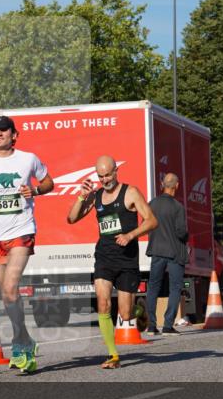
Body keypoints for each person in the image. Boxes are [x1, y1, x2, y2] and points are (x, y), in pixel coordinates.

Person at [0, 115, 54, 374]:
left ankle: (18, 344)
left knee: (11, 286)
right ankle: (25, 338)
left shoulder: (28, 159)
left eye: (4, 130)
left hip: (22, 230)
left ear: (14, 135)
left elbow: (48, 182)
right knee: (6, 293)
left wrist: (35, 191)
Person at [67, 155, 157, 369]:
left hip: (127, 259)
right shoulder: (96, 196)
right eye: (101, 176)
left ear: (116, 171)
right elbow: (71, 219)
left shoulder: (130, 192)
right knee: (103, 303)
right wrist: (81, 197)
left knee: (125, 315)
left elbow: (152, 220)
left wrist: (131, 235)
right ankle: (113, 355)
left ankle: (139, 311)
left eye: (108, 174)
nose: (105, 179)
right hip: (104, 256)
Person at [144, 173, 188, 336]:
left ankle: (151, 326)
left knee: (153, 287)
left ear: (162, 184)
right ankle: (168, 325)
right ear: (177, 185)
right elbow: (181, 232)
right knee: (175, 288)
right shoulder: (178, 207)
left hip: (156, 251)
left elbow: (145, 224)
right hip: (175, 252)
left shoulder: (152, 204)